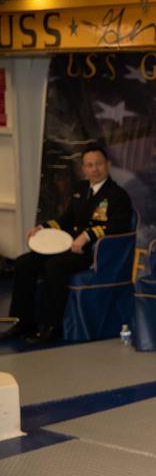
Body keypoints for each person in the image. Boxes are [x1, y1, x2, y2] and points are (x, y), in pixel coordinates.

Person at [1, 146, 133, 345]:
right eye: (90, 165)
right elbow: (66, 219)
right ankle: (23, 322)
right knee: (24, 263)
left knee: (54, 266)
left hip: (93, 252)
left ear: (108, 165)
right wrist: (42, 227)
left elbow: (118, 226)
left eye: (99, 164)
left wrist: (87, 236)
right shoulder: (80, 190)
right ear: (83, 169)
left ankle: (52, 326)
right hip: (69, 246)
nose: (95, 169)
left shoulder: (117, 195)